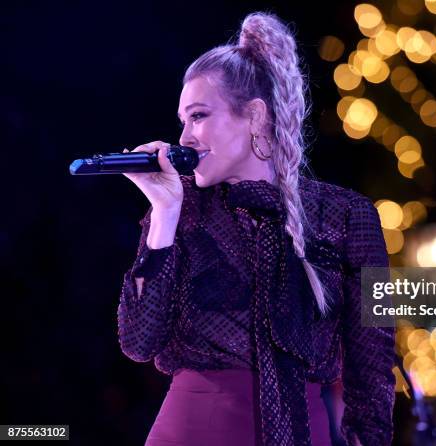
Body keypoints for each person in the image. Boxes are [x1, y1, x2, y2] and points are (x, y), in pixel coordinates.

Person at [117, 11, 395, 446]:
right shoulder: (181, 211)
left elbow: (372, 371)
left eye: (199, 116)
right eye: (183, 120)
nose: (184, 137)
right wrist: (164, 214)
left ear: (255, 117)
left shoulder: (347, 216)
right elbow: (137, 341)